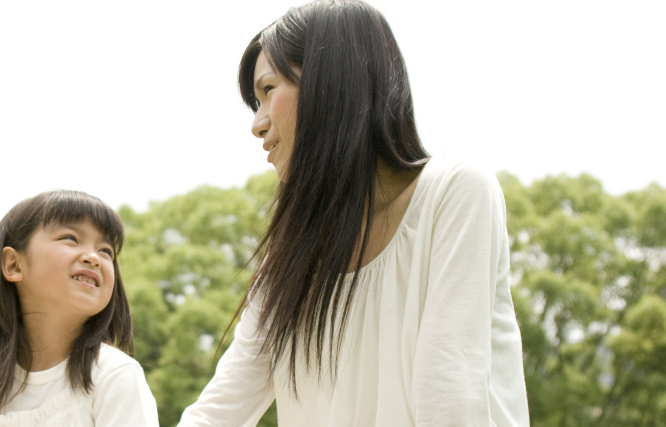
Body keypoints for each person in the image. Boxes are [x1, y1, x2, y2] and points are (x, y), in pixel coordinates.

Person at [178, 1, 529, 426]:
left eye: (268, 90)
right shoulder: (293, 251)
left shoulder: (454, 191)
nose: (258, 123)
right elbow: (223, 407)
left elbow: (449, 392)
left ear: (331, 83)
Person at [0, 190, 159, 426]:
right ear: (13, 265)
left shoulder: (113, 374)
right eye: (70, 238)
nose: (93, 257)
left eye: (106, 251)